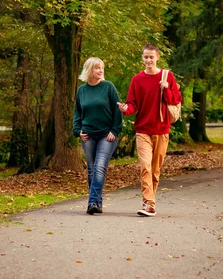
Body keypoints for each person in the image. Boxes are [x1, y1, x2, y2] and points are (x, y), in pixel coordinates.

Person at [117, 44, 182, 216]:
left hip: (161, 130)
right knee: (145, 166)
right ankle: (149, 203)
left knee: (155, 169)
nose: (148, 60)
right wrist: (125, 109)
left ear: (157, 57)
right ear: (142, 58)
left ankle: (148, 200)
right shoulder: (137, 80)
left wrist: (166, 88)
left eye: (151, 57)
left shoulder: (168, 76)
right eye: (145, 57)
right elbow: (133, 104)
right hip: (143, 130)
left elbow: (176, 99)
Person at [73, 57, 123, 215]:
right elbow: (77, 112)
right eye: (97, 68)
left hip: (106, 135)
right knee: (91, 170)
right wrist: (77, 130)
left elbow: (117, 110)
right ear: (89, 70)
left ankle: (92, 201)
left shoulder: (108, 87)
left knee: (99, 167)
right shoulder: (82, 90)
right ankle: (97, 203)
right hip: (88, 135)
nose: (101, 71)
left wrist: (115, 131)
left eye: (102, 68)